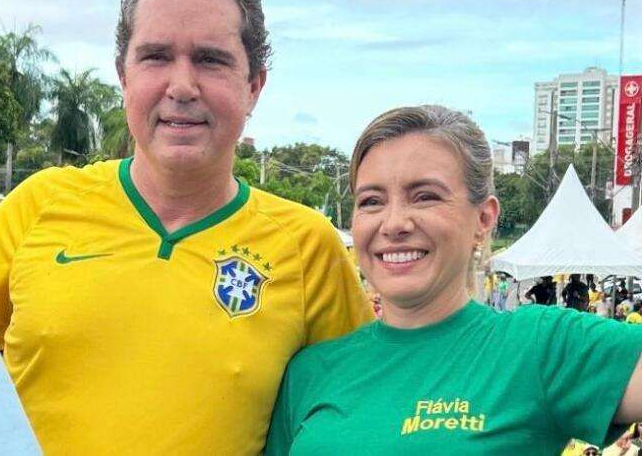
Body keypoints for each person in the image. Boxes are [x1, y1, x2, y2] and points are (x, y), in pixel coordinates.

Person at [0, 0, 372, 454]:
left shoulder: (308, 247)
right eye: (156, 57)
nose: (182, 85)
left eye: (211, 60)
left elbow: (365, 405)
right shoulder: (39, 205)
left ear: (254, 85)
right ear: (124, 76)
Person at [265, 105, 642, 454]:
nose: (394, 224)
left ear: (483, 218)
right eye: (371, 201)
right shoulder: (309, 372)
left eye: (425, 196)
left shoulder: (540, 346)